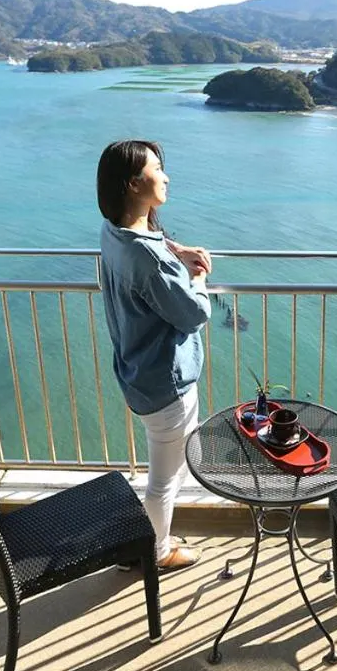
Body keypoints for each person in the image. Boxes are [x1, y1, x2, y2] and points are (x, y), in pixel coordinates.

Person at [97, 139, 212, 570]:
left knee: (172, 465)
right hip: (166, 385)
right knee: (164, 480)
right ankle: (154, 552)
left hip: (137, 373)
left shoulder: (114, 232)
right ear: (132, 184)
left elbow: (144, 238)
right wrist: (197, 276)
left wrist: (177, 251)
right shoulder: (147, 260)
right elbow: (193, 314)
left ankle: (151, 535)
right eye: (157, 170)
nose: (165, 177)